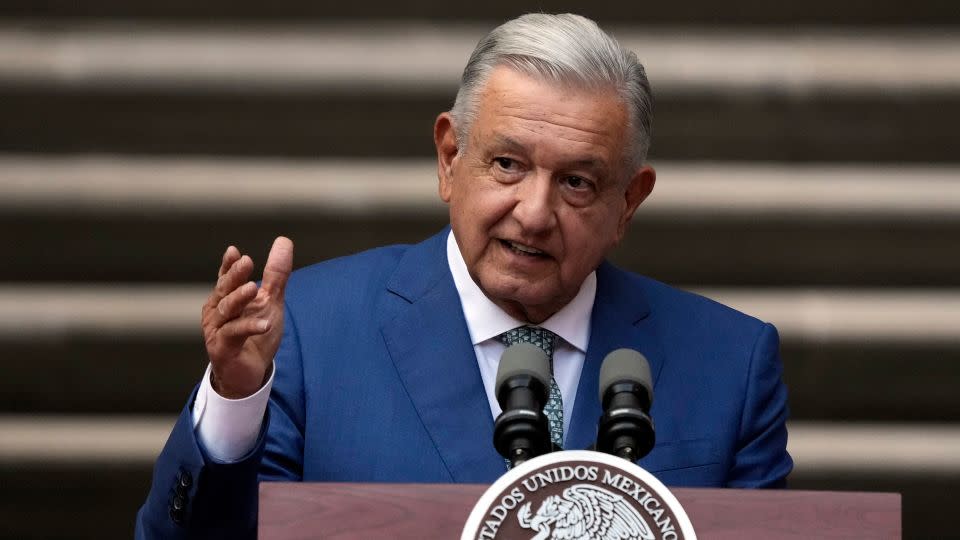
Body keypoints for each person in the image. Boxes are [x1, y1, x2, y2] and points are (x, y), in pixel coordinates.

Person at [136, 13, 792, 539]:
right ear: (451, 158)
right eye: (507, 164)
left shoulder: (730, 363)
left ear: (628, 202)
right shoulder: (311, 331)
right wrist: (234, 399)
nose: (534, 214)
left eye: (577, 182)